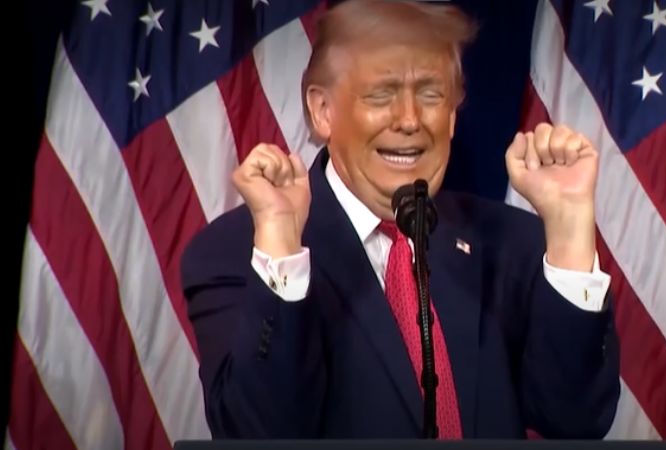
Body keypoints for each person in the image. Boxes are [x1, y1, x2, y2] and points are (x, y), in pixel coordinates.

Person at [181, 0, 620, 440]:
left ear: (452, 114)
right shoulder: (240, 253)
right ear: (322, 111)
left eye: (431, 94)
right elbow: (258, 433)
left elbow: (576, 419)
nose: (409, 120)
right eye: (381, 94)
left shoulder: (510, 243)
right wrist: (281, 248)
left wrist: (570, 228)